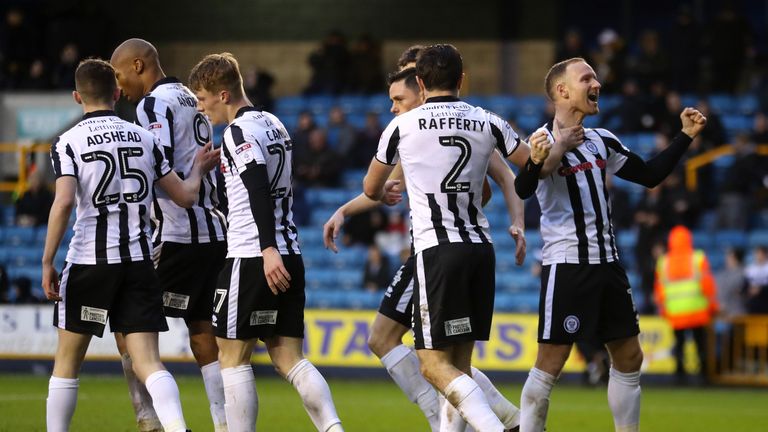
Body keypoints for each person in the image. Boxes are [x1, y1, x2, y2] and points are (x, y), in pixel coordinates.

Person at [325, 60, 526, 431]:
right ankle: (506, 419)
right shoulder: (478, 122)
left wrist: (354, 205)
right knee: (451, 362)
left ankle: (496, 422)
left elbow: (378, 187)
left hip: (434, 252)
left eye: (399, 97)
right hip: (476, 246)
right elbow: (511, 174)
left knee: (426, 359)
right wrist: (345, 209)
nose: (393, 106)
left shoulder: (409, 129)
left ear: (421, 87)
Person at [514, 57, 707, 432]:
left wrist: (685, 136)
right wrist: (549, 154)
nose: (597, 83)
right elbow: (524, 187)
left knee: (629, 357)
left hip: (609, 265)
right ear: (562, 91)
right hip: (568, 265)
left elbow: (650, 176)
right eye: (587, 77)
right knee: (550, 364)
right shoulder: (538, 142)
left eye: (596, 77)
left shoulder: (602, 141)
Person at [42, 58, 220, 432]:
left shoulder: (67, 141)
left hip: (90, 260)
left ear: (77, 96)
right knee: (149, 362)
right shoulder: (146, 139)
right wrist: (199, 171)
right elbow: (185, 197)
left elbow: (62, 204)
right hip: (138, 262)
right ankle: (175, 427)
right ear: (118, 93)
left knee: (66, 363)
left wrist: (47, 262)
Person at [189, 52, 343, 432]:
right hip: (289, 252)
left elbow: (257, 186)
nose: (201, 107)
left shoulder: (238, 133)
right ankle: (333, 428)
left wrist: (266, 248)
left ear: (223, 95)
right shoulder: (274, 123)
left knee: (232, 356)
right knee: (289, 357)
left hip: (253, 255)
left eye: (203, 99)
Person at [110, 38, 228, 432]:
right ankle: (225, 424)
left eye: (120, 75)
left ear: (139, 65)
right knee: (202, 331)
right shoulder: (191, 98)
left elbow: (155, 166)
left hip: (173, 234)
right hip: (212, 231)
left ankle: (152, 422)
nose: (118, 86)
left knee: (129, 328)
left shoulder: (151, 105)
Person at [654, 225, 719, 384]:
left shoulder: (664, 261)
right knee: (700, 344)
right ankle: (703, 374)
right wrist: (712, 306)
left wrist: (663, 309)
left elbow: (659, 290)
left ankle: (679, 374)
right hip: (697, 310)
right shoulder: (698, 258)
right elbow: (707, 285)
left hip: (676, 312)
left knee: (679, 344)